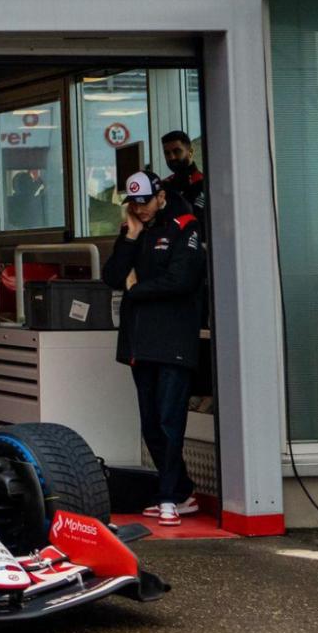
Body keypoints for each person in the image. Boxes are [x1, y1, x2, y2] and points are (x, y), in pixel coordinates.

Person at [100, 171, 206, 526]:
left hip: (175, 339)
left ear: (160, 196)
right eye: (133, 203)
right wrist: (130, 237)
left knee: (169, 419)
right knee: (150, 423)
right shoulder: (134, 230)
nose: (139, 209)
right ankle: (182, 490)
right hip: (139, 340)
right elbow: (112, 276)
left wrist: (136, 290)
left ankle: (167, 498)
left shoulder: (186, 226)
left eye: (144, 202)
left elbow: (181, 281)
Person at [160, 130, 207, 227]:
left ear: (190, 152)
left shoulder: (204, 184)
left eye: (177, 151)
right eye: (167, 153)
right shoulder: (164, 185)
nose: (172, 157)